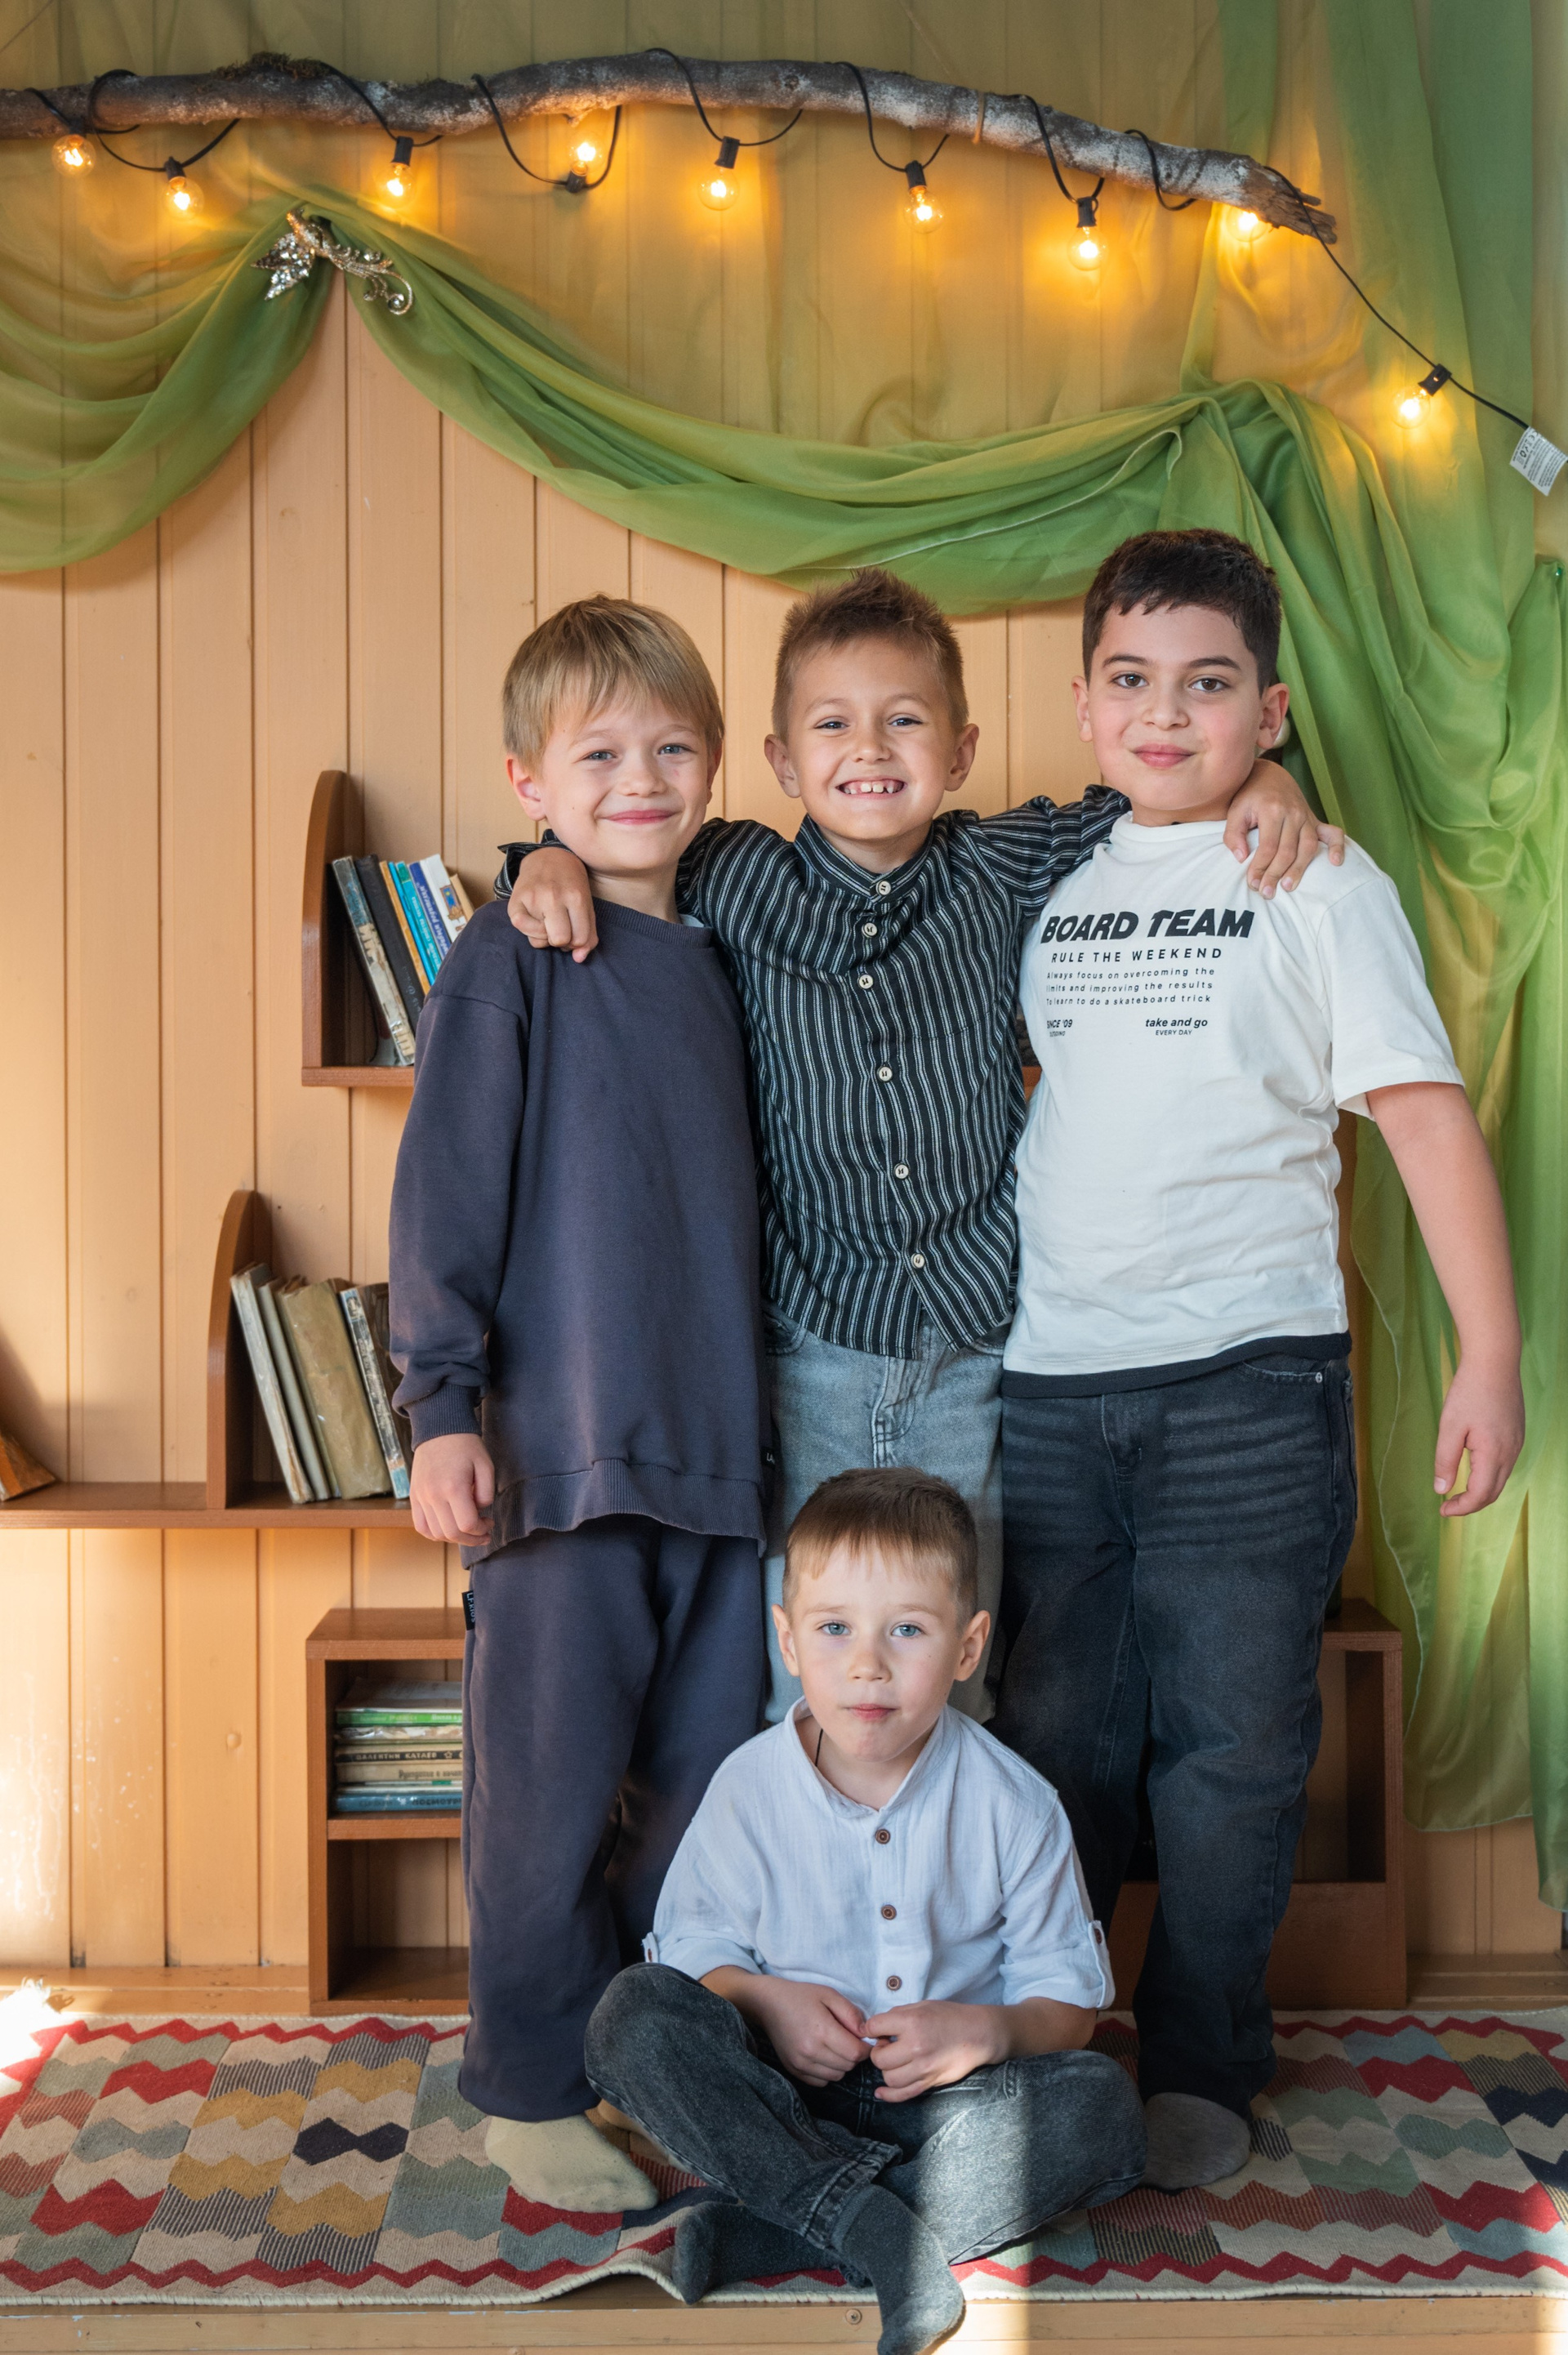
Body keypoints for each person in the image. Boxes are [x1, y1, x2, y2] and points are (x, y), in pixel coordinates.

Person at [498, 570, 1339, 1727]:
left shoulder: (1004, 863)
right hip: (810, 1351)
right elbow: (612, 843)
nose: (869, 749)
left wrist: (1276, 780)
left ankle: (951, 1846)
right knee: (809, 1674)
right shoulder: (733, 871)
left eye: (904, 719)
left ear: (959, 749)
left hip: (975, 1353)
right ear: (781, 760)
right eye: (832, 725)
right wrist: (540, 858)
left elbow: (1167, 782)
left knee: (956, 1663)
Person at [993, 528, 1526, 2193]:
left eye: (1209, 683)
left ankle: (1204, 2057)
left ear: (1269, 709)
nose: (1168, 713)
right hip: (1050, 1390)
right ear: (1085, 703)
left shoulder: (1319, 882)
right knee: (1058, 1742)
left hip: (1250, 1384)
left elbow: (1423, 1117)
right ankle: (1049, 2044)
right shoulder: (1037, 877)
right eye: (1134, 680)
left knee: (1232, 1748)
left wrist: (1491, 1351)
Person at [388, 598, 771, 2215]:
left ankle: (651, 2055)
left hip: (726, 1466)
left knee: (704, 1796)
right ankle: (530, 2081)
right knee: (541, 1801)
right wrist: (441, 1406)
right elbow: (446, 1191)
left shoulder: (732, 946)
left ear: (720, 764)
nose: (642, 779)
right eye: (598, 755)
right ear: (528, 782)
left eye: (673, 747)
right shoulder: (514, 951)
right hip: (559, 1461)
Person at [585, 1468, 1144, 2355]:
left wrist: (986, 2031)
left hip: (946, 2111)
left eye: (908, 1630)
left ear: (968, 1647)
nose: (867, 1664)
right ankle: (880, 2227)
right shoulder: (748, 1786)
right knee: (630, 2016)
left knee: (1103, 2107)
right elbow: (691, 1953)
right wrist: (766, 2001)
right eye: (835, 1628)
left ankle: (791, 2226)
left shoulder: (1016, 1803)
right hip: (775, 2098)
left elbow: (1069, 2004)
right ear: (788, 1639)